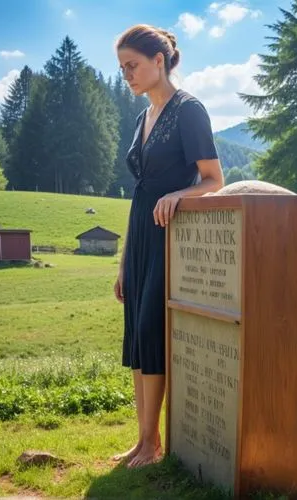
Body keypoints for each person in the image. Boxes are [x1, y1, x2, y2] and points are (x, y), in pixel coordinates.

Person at [112, 24, 224, 468]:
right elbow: (140, 191)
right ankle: (143, 439)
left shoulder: (189, 110)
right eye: (122, 69)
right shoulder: (144, 117)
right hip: (140, 235)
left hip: (169, 238)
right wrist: (123, 262)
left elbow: (215, 180)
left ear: (159, 61)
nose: (128, 76)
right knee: (137, 335)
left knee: (151, 332)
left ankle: (152, 445)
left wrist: (180, 194)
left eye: (133, 66)